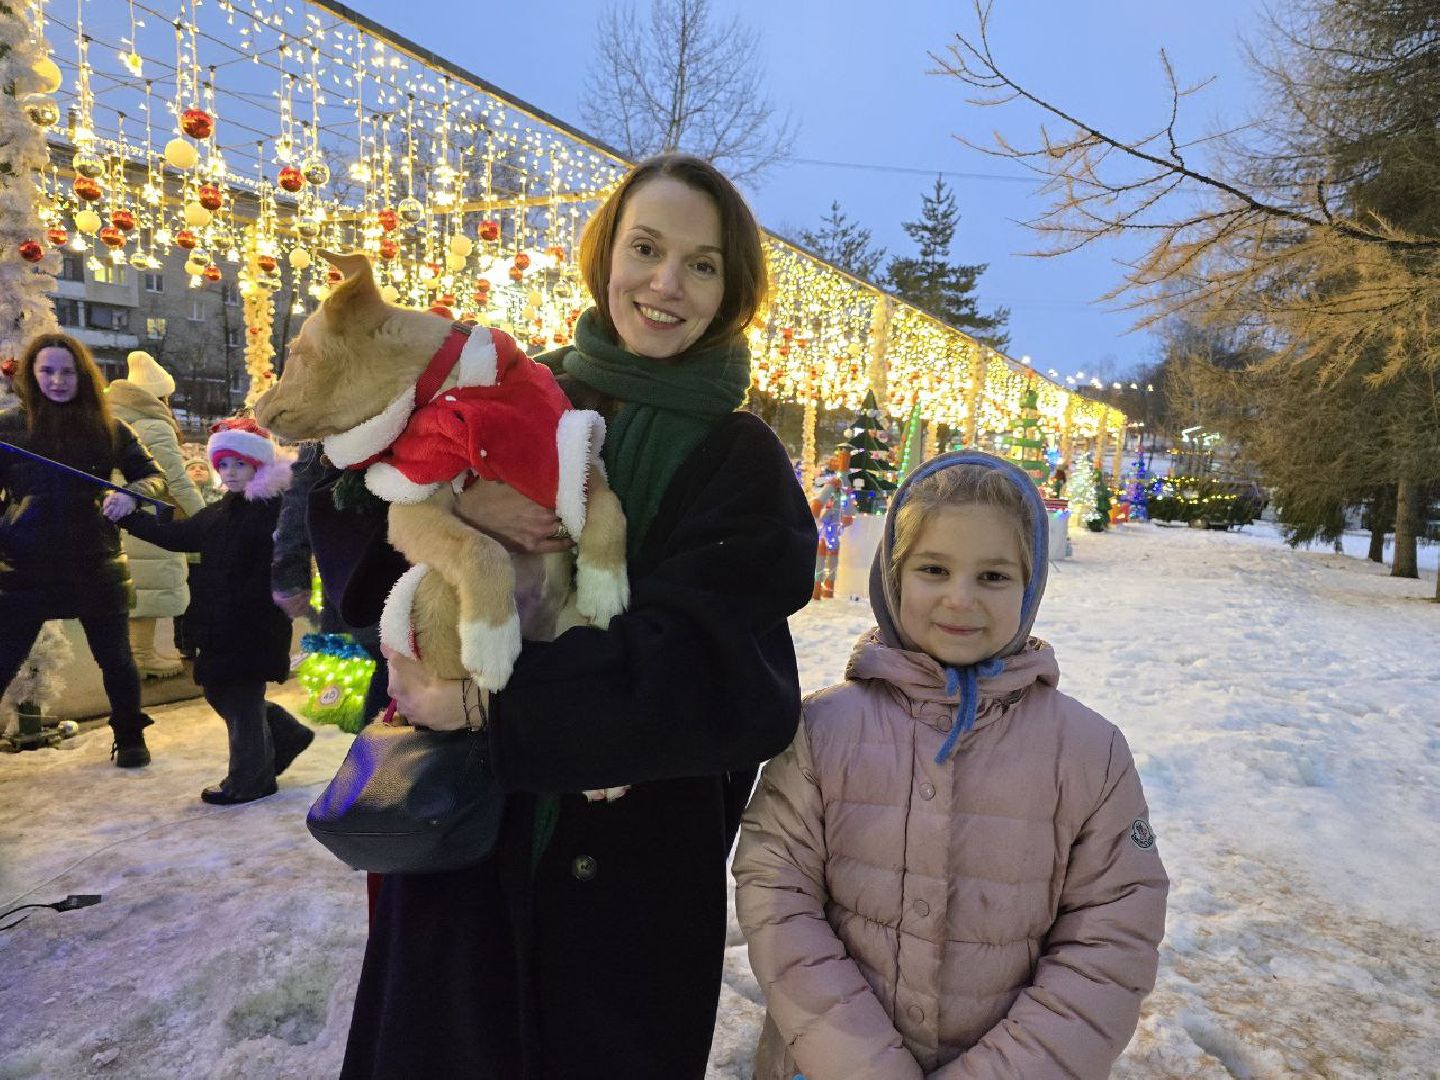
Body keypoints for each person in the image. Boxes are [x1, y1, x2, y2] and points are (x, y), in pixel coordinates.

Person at [312, 154, 817, 1078]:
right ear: (606, 256)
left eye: (701, 264)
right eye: (647, 248)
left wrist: (497, 709)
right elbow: (342, 503)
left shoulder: (742, 463)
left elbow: (725, 683)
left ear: (731, 287)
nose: (666, 284)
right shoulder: (507, 390)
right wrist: (452, 517)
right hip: (460, 856)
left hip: (628, 892)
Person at [733, 450, 1169, 1080]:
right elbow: (778, 898)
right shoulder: (821, 732)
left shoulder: (1089, 753)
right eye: (934, 569)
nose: (960, 599)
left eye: (993, 576)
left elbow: (1111, 940)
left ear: (1031, 584)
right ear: (893, 576)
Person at [118, 418, 314, 804]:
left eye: (239, 464)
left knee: (239, 696)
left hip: (254, 621)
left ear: (258, 464)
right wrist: (130, 518)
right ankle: (285, 734)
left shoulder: (274, 508)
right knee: (221, 690)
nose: (229, 472)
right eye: (223, 464)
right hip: (224, 619)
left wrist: (289, 594)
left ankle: (251, 779)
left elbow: (292, 555)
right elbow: (180, 535)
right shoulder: (226, 508)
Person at [0, 333, 165, 767]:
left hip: (96, 561)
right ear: (33, 376)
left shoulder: (110, 426)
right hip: (22, 563)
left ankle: (131, 738)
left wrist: (132, 493)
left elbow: (153, 476)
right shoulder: (8, 427)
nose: (57, 380)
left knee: (116, 658)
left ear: (83, 375)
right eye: (47, 371)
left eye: (67, 371)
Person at [106, 350, 207, 678]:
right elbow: (175, 479)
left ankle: (136, 655)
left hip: (121, 513)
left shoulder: (112, 417)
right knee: (150, 585)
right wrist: (205, 518)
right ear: (158, 395)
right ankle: (143, 656)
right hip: (150, 511)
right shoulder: (153, 425)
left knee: (136, 585)